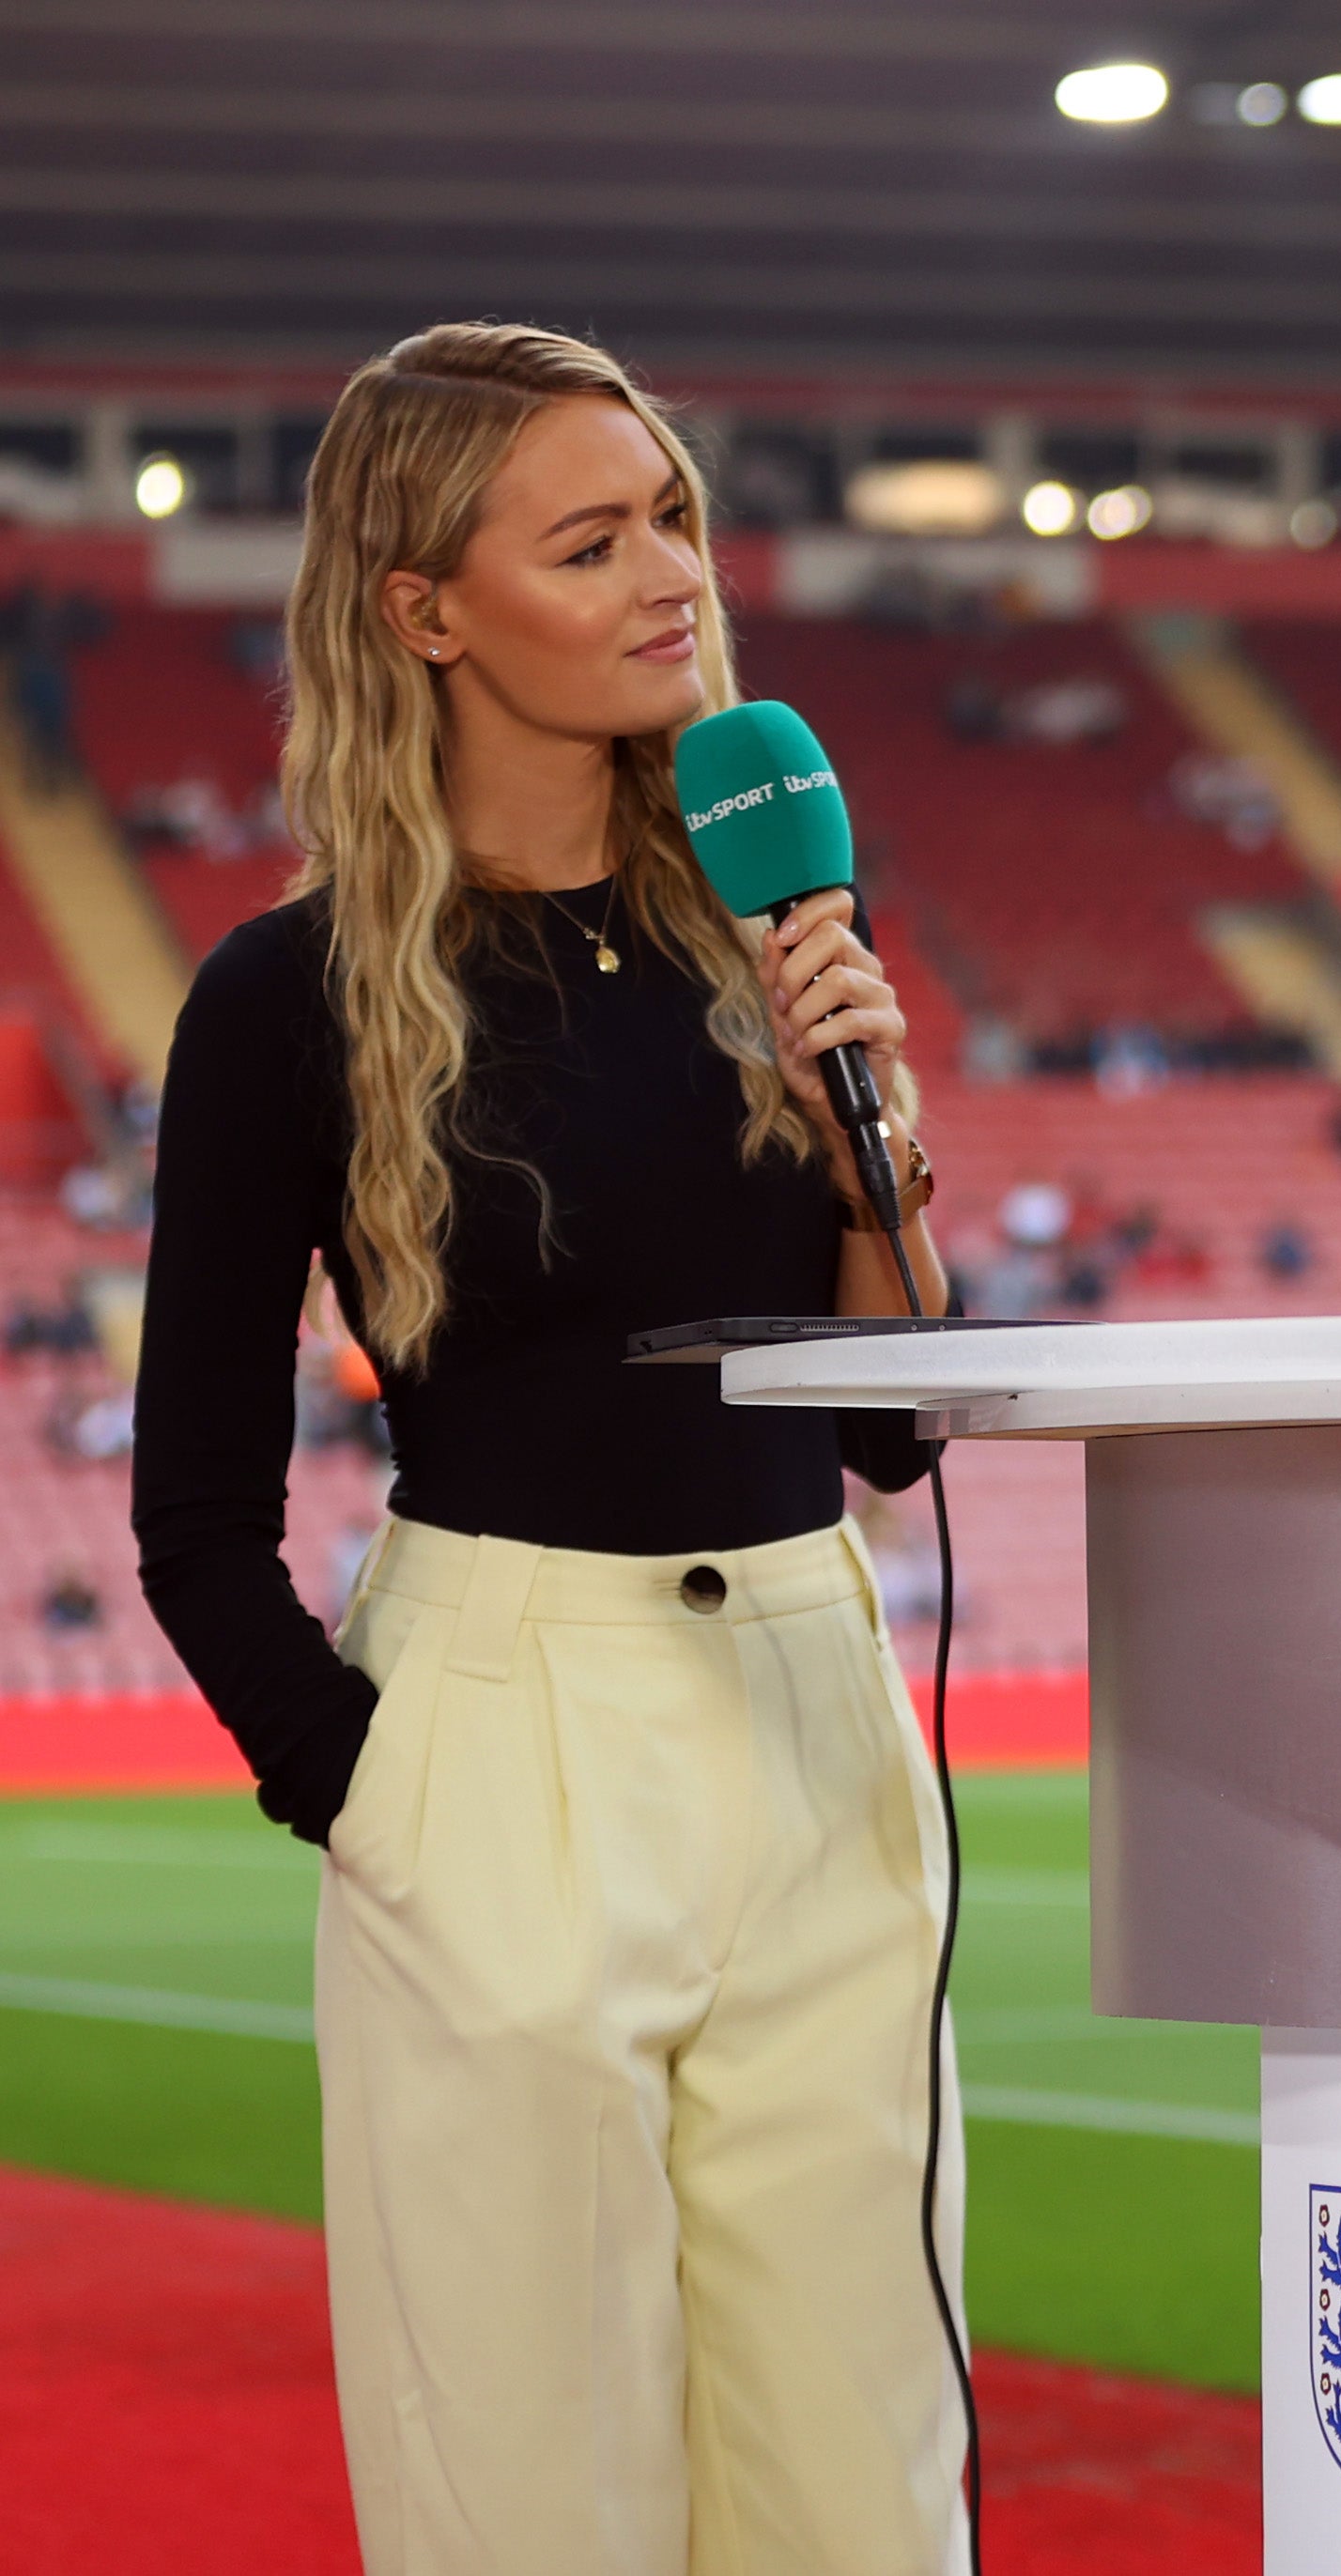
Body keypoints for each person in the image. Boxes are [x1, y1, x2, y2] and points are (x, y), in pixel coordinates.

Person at [127, 324, 963, 2574]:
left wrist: (874, 1148)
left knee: (859, 2481)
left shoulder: (779, 930)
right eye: (586, 541)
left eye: (670, 518)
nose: (663, 574)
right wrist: (375, 1788)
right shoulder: (286, 998)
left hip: (813, 1696)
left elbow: (886, 1422)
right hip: (499, 1738)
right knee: (530, 2493)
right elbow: (193, 1511)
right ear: (423, 606)